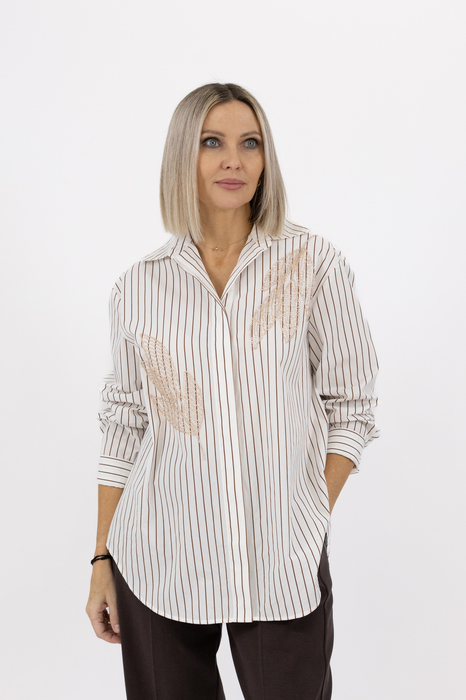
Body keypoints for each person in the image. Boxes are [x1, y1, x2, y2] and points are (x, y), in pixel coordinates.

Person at [86, 82, 380, 700]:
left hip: (281, 557)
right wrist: (101, 560)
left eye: (250, 143)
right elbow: (124, 424)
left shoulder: (313, 263)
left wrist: (310, 513)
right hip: (159, 556)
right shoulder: (137, 288)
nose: (233, 160)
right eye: (211, 142)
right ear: (181, 155)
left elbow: (352, 404)